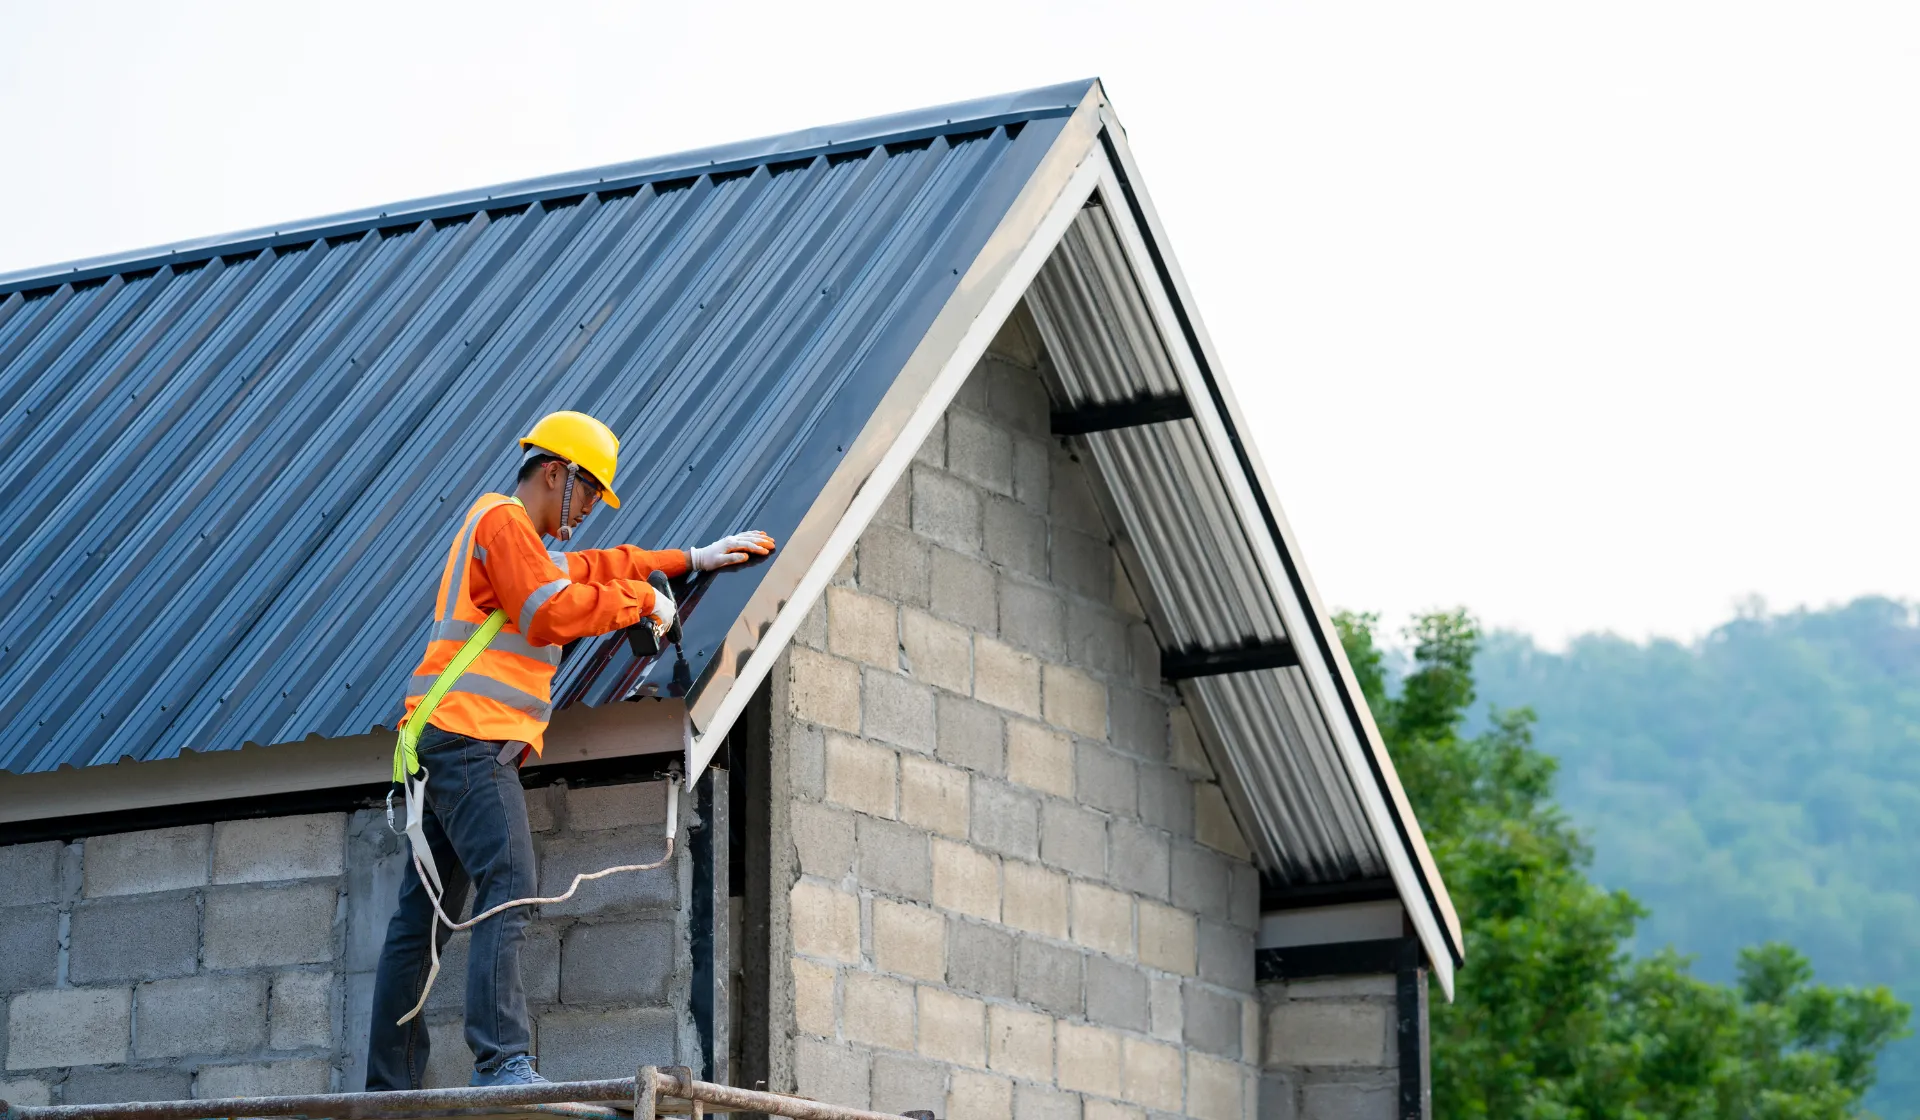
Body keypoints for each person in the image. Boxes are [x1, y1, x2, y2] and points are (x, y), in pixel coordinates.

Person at [365, 410, 774, 1090]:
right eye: (588, 493)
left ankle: (386, 1086)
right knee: (511, 885)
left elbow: (599, 565)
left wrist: (690, 560)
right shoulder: (500, 522)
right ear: (555, 472)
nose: (587, 509)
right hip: (471, 741)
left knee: (420, 919)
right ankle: (501, 1062)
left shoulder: (519, 542)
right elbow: (549, 611)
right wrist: (640, 603)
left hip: (445, 742)